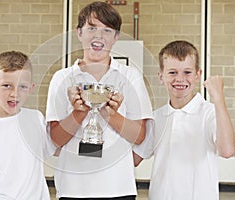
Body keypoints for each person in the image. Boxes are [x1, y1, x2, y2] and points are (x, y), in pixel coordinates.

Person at [45, 1, 153, 199]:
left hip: (118, 186)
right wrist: (79, 112)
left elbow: (140, 136)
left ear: (116, 37)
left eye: (107, 30)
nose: (98, 36)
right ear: (79, 33)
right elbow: (55, 139)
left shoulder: (131, 77)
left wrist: (109, 113)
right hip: (73, 187)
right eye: (92, 28)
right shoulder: (62, 79)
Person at [133, 40, 235, 200]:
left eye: (187, 72)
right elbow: (134, 158)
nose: (180, 79)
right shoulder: (156, 117)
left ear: (198, 75)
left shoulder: (210, 113)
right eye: (172, 72)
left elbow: (227, 151)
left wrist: (219, 100)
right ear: (161, 76)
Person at [0, 51, 56, 200]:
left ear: (31, 88)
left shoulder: (36, 118)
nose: (15, 94)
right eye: (7, 86)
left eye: (22, 87)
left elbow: (54, 149)